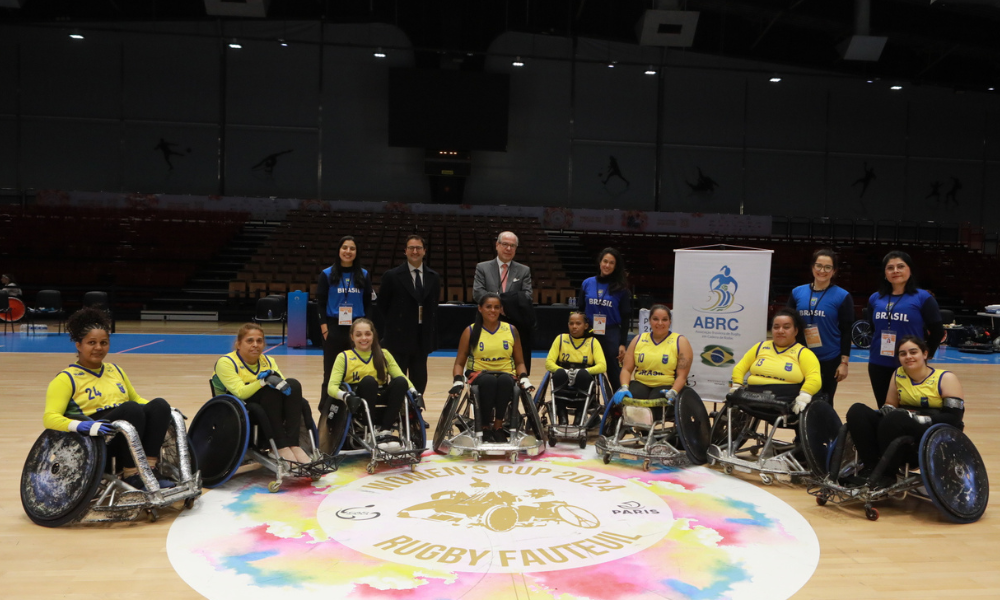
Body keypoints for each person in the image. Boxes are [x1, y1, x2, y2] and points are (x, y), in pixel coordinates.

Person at [42, 308, 176, 490]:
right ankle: (132, 473)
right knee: (131, 409)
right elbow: (49, 417)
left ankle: (150, 468)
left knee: (159, 404)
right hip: (96, 434)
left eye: (103, 342)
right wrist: (80, 425)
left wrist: (168, 411)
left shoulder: (116, 370)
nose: (98, 347)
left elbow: (136, 398)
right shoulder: (66, 379)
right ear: (78, 345)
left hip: (128, 428)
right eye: (92, 342)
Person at [845, 336, 965, 487]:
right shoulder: (898, 374)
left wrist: (916, 418)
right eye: (903, 354)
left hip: (931, 432)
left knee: (895, 418)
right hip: (899, 426)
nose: (908, 357)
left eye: (913, 352)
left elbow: (954, 418)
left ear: (925, 354)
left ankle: (888, 474)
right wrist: (887, 409)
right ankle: (872, 468)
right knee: (857, 410)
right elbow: (890, 404)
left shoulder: (945, 378)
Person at [213, 323, 312, 464]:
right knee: (269, 391)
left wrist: (275, 379)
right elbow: (240, 392)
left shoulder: (268, 361)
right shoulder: (226, 362)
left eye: (259, 341)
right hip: (235, 406)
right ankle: (279, 446)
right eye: (250, 341)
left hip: (265, 403)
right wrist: (263, 381)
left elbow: (283, 386)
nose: (255, 345)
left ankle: (293, 444)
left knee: (294, 385)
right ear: (238, 344)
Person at [326, 318, 423, 450]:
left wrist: (415, 392)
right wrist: (345, 396)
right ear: (352, 337)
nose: (363, 338)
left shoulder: (384, 354)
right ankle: (371, 432)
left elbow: (400, 376)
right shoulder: (344, 357)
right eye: (358, 334)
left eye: (367, 334)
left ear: (373, 335)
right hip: (358, 401)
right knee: (369, 381)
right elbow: (331, 388)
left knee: (400, 382)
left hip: (381, 397)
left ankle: (385, 430)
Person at [451, 293, 534, 442]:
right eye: (488, 307)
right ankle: (484, 427)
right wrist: (457, 381)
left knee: (505, 381)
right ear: (480, 309)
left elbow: (520, 362)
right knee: (489, 381)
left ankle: (498, 426)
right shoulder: (470, 331)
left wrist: (524, 378)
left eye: (496, 307)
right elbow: (459, 363)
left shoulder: (511, 330)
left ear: (501, 310)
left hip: (505, 373)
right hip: (479, 374)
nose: (493, 310)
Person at [866, 250, 943, 408]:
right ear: (884, 273)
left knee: (909, 410)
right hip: (879, 363)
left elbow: (937, 331)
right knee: (885, 408)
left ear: (910, 269)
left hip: (910, 363)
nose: (895, 271)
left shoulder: (923, 298)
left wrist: (925, 356)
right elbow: (874, 329)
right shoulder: (875, 298)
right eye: (890, 268)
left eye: (900, 266)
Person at [787, 249, 854, 405]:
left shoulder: (842, 296)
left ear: (834, 271)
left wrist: (844, 363)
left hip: (829, 358)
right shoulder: (797, 292)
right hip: (800, 357)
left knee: (824, 402)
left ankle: (825, 430)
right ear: (812, 267)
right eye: (819, 265)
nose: (822, 271)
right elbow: (788, 324)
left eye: (827, 267)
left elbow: (846, 331)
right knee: (800, 402)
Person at [377, 234, 440, 394]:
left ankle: (415, 415)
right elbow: (382, 306)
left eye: (418, 248)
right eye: (411, 248)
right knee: (398, 380)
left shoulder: (433, 277)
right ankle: (398, 414)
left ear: (424, 251)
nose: (415, 251)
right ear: (405, 251)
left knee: (420, 379)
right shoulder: (392, 276)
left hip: (422, 338)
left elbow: (433, 306)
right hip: (398, 338)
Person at [729, 308, 821, 414]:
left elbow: (814, 378)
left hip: (784, 399)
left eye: (786, 327)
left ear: (795, 331)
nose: (780, 331)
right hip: (752, 396)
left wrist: (804, 396)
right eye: (776, 327)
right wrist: (736, 385)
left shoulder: (804, 353)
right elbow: (740, 368)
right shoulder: (759, 347)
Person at [316, 235, 373, 409]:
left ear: (357, 252)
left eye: (352, 248)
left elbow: (368, 304)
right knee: (331, 372)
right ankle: (326, 410)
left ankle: (356, 407)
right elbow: (320, 303)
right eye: (345, 247)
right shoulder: (326, 274)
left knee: (357, 371)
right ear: (339, 250)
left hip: (357, 328)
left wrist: (367, 329)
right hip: (334, 327)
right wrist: (325, 330)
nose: (348, 251)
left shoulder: (363, 274)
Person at [472, 231, 536, 374]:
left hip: (514, 322)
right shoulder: (482, 267)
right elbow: (477, 292)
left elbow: (527, 296)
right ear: (497, 245)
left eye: (512, 246)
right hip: (487, 322)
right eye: (505, 244)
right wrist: (496, 307)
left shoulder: (524, 270)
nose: (508, 249)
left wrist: (504, 307)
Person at [613, 304, 693, 410]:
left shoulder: (680, 341)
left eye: (664, 320)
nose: (660, 323)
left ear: (670, 322)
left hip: (665, 385)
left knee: (653, 407)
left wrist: (674, 391)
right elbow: (626, 369)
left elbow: (682, 376)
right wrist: (624, 386)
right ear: (649, 321)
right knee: (631, 403)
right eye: (655, 319)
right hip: (641, 382)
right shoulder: (638, 339)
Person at [577, 248, 630, 392]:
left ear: (616, 266)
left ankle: (619, 406)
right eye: (605, 261)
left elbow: (625, 318)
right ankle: (589, 404)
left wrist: (622, 344)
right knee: (586, 368)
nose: (607, 265)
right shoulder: (587, 283)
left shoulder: (621, 288)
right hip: (589, 331)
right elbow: (580, 309)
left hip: (610, 332)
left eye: (611, 263)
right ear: (600, 262)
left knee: (614, 371)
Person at [544, 311, 607, 425]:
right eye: (571, 323)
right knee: (559, 374)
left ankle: (579, 417)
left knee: (583, 375)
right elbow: (549, 363)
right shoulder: (560, 339)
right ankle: (562, 418)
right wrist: (565, 371)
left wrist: (584, 371)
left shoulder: (593, 342)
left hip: (583, 382)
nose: (574, 327)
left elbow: (602, 366)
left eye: (578, 323)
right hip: (564, 380)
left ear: (585, 326)